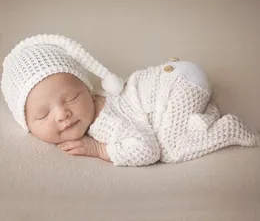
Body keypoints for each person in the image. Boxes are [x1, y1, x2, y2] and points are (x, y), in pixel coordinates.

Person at [1, 34, 259, 167]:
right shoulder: (90, 107)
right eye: (43, 115)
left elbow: (147, 150)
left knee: (169, 150)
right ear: (26, 124)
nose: (62, 114)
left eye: (71, 97)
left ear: (87, 88)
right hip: (174, 76)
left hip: (179, 86)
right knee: (166, 126)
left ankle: (225, 129)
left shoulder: (103, 122)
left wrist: (100, 150)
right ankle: (205, 113)